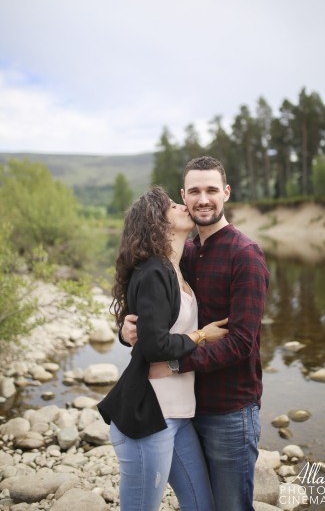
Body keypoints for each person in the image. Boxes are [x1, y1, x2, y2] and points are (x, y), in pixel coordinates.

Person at [121, 157, 270, 511]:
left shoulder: (245, 255)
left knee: (230, 506)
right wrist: (127, 328)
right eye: (195, 191)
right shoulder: (184, 253)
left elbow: (240, 343)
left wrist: (174, 364)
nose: (203, 199)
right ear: (183, 196)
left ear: (226, 193)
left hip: (229, 411)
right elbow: (158, 316)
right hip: (185, 408)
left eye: (212, 190)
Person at [97, 185, 229, 511]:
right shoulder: (154, 270)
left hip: (180, 414)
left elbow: (141, 327)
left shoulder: (176, 268)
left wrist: (126, 330)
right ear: (157, 221)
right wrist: (200, 336)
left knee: (202, 504)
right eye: (172, 205)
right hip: (149, 417)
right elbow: (155, 345)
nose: (182, 205)